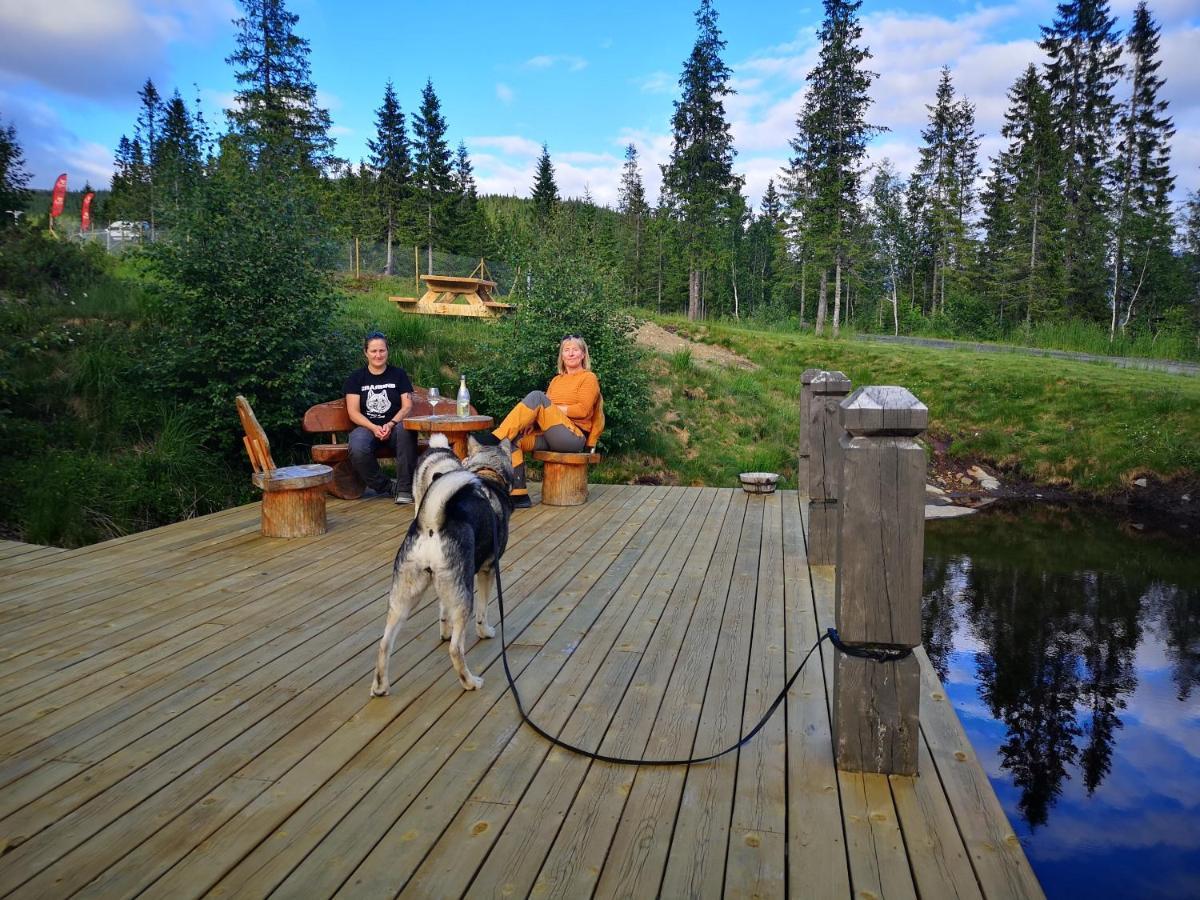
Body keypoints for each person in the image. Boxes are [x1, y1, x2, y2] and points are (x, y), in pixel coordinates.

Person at [484, 334, 601, 508]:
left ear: (583, 354)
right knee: (514, 440)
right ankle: (519, 494)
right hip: (550, 433)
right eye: (566, 350)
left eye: (575, 350)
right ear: (561, 356)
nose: (570, 354)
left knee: (537, 396)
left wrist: (553, 408)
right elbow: (544, 411)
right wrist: (532, 423)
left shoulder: (588, 378)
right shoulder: (556, 380)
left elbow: (582, 410)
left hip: (573, 436)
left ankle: (496, 435)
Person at [343, 330, 419, 504]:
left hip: (395, 427)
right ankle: (387, 486)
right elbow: (353, 412)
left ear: (387, 351)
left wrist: (391, 424)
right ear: (366, 353)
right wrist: (374, 427)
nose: (378, 355)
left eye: (382, 350)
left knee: (406, 430)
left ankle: (405, 489)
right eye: (374, 351)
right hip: (367, 428)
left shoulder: (398, 375)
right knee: (357, 445)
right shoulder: (356, 378)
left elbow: (407, 406)